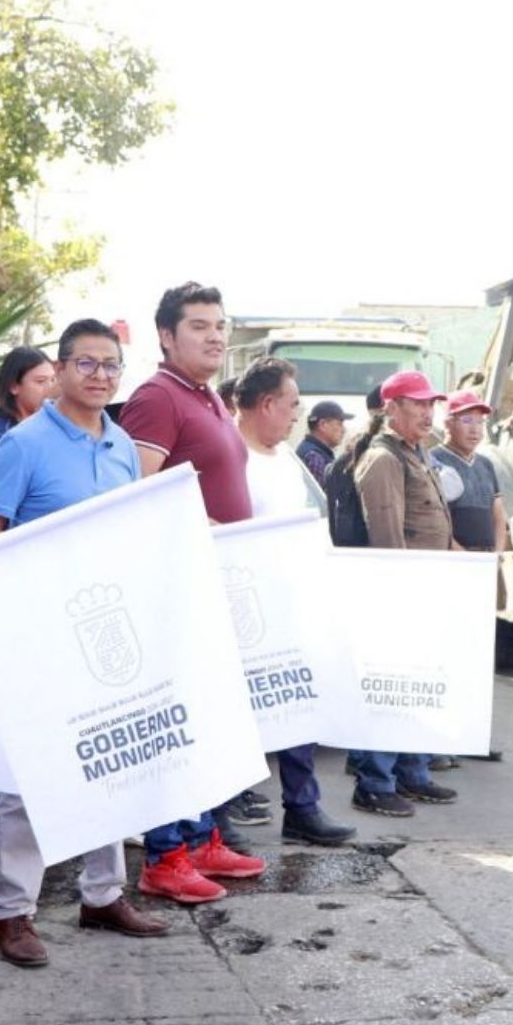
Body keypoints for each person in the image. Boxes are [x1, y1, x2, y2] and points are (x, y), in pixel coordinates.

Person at [0, 319, 172, 966]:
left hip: (102, 634)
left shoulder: (120, 448)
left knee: (109, 763)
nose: (101, 376)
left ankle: (102, 894)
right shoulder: (23, 445)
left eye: (112, 366)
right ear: (58, 370)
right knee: (26, 778)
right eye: (88, 364)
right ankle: (13, 914)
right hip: (36, 635)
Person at [117, 281, 268, 903]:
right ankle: (165, 853)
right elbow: (138, 495)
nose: (215, 336)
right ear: (166, 336)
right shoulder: (157, 397)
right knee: (175, 721)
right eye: (200, 326)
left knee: (209, 716)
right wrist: (207, 530)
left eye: (220, 326)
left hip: (214, 583)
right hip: (173, 585)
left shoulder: (205, 397)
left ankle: (203, 836)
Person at [233, 358, 357, 847]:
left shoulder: (284, 457)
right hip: (246, 611)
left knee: (298, 707)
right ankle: (220, 817)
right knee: (240, 714)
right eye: (290, 406)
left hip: (293, 603)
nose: (293, 417)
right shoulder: (229, 452)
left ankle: (302, 809)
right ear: (265, 404)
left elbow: (313, 514)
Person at [347, 370, 462, 817]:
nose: (426, 412)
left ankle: (412, 774)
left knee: (416, 690)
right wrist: (397, 594)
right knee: (391, 693)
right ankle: (375, 782)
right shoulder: (384, 459)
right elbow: (387, 532)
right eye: (416, 404)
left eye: (430, 404)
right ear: (391, 409)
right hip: (401, 592)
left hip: (426, 590)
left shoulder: (416, 453)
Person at [431, 391, 508, 554]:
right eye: (466, 420)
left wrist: (498, 554)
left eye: (480, 422)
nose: (475, 429)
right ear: (447, 424)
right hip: (451, 559)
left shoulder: (486, 464)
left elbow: (499, 516)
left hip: (487, 558)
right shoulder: (432, 461)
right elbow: (430, 520)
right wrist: (463, 556)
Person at [0, 346, 56, 492]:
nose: (50, 389)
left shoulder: (49, 430)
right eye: (40, 381)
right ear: (14, 386)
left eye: (53, 380)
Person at [297, 400, 351, 487]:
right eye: (339, 424)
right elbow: (322, 497)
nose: (344, 430)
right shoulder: (313, 457)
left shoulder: (313, 451)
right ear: (322, 424)